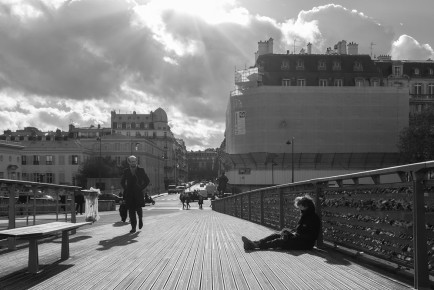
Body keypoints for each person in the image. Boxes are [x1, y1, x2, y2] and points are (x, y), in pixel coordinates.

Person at [241, 195, 320, 251]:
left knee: (280, 241)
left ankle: (255, 246)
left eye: (300, 207)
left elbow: (312, 236)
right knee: (276, 234)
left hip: (305, 244)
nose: (299, 209)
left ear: (305, 206)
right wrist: (289, 232)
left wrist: (293, 235)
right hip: (298, 239)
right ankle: (255, 242)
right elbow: (299, 229)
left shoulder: (313, 218)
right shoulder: (305, 215)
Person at [121, 155, 150, 233]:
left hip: (138, 193)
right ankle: (133, 227)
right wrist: (126, 188)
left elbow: (147, 181)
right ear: (129, 162)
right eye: (132, 161)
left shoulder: (141, 170)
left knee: (139, 209)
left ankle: (140, 219)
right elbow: (122, 182)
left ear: (136, 161)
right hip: (129, 194)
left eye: (134, 161)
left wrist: (141, 188)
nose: (133, 163)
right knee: (131, 211)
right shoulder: (126, 171)